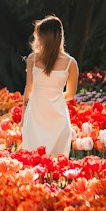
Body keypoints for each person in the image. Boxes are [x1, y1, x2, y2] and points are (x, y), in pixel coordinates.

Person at [18, 15, 78, 157]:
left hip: (35, 113)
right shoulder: (71, 63)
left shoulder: (32, 59)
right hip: (57, 115)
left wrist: (23, 114)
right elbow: (70, 95)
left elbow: (29, 88)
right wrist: (54, 96)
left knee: (32, 161)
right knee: (56, 165)